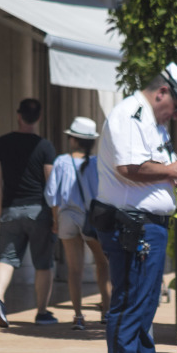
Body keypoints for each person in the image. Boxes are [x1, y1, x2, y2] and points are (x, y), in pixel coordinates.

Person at [94, 63, 177, 353]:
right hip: (132, 224)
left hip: (146, 225)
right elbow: (129, 168)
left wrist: (172, 178)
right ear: (162, 93)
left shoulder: (151, 122)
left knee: (144, 305)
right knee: (129, 305)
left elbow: (148, 169)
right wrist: (170, 171)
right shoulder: (131, 115)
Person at [0, 98, 58, 327]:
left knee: (6, 258)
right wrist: (55, 216)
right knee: (43, 263)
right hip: (38, 210)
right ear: (38, 118)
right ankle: (42, 312)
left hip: (11, 208)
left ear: (19, 115)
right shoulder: (45, 146)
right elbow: (51, 182)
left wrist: (2, 209)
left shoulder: (1, 143)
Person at [45, 117, 111, 331]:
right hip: (92, 218)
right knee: (103, 264)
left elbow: (51, 196)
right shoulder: (96, 163)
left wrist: (55, 221)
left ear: (73, 140)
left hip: (66, 217)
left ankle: (78, 316)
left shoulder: (61, 162)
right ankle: (106, 311)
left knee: (75, 270)